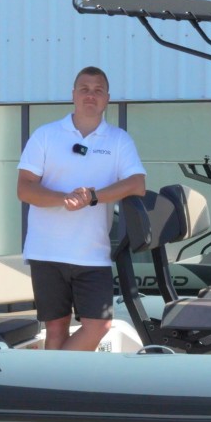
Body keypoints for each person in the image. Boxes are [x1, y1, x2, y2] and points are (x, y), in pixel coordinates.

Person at [17, 66, 146, 351]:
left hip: (93, 254)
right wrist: (64, 199)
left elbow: (137, 183)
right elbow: (24, 188)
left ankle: (49, 386)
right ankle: (58, 391)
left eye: (98, 90)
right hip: (46, 251)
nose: (91, 95)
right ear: (73, 95)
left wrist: (93, 196)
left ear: (107, 98)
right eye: (84, 89)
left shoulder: (118, 140)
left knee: (100, 325)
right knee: (56, 328)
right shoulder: (46, 135)